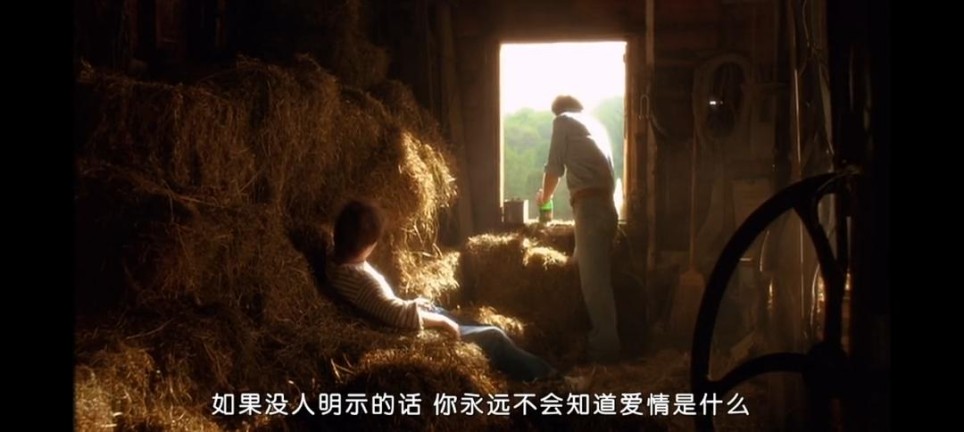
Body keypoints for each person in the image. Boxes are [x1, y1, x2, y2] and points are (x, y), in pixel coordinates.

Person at [327, 199, 558, 382]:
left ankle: (524, 363)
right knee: (494, 337)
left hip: (404, 318)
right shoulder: (356, 279)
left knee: (480, 326)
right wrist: (442, 322)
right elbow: (395, 314)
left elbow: (382, 305)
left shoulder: (338, 261)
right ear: (369, 243)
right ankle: (552, 378)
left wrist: (417, 306)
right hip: (407, 333)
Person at [535, 95, 621, 364]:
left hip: (590, 209)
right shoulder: (595, 125)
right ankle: (591, 340)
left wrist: (544, 198)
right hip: (607, 207)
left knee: (595, 285)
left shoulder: (563, 121)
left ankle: (605, 350)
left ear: (558, 111)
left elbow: (554, 169)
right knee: (580, 268)